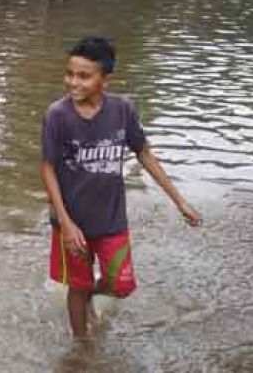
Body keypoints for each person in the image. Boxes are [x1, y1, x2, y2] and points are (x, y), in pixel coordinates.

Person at [40, 36, 202, 338]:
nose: (73, 82)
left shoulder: (122, 109)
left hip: (111, 219)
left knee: (121, 284)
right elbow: (47, 167)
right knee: (77, 284)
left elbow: (144, 153)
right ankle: (82, 348)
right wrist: (65, 222)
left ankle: (90, 295)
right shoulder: (57, 115)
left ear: (105, 79)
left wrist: (179, 202)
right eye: (70, 74)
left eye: (84, 76)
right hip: (70, 220)